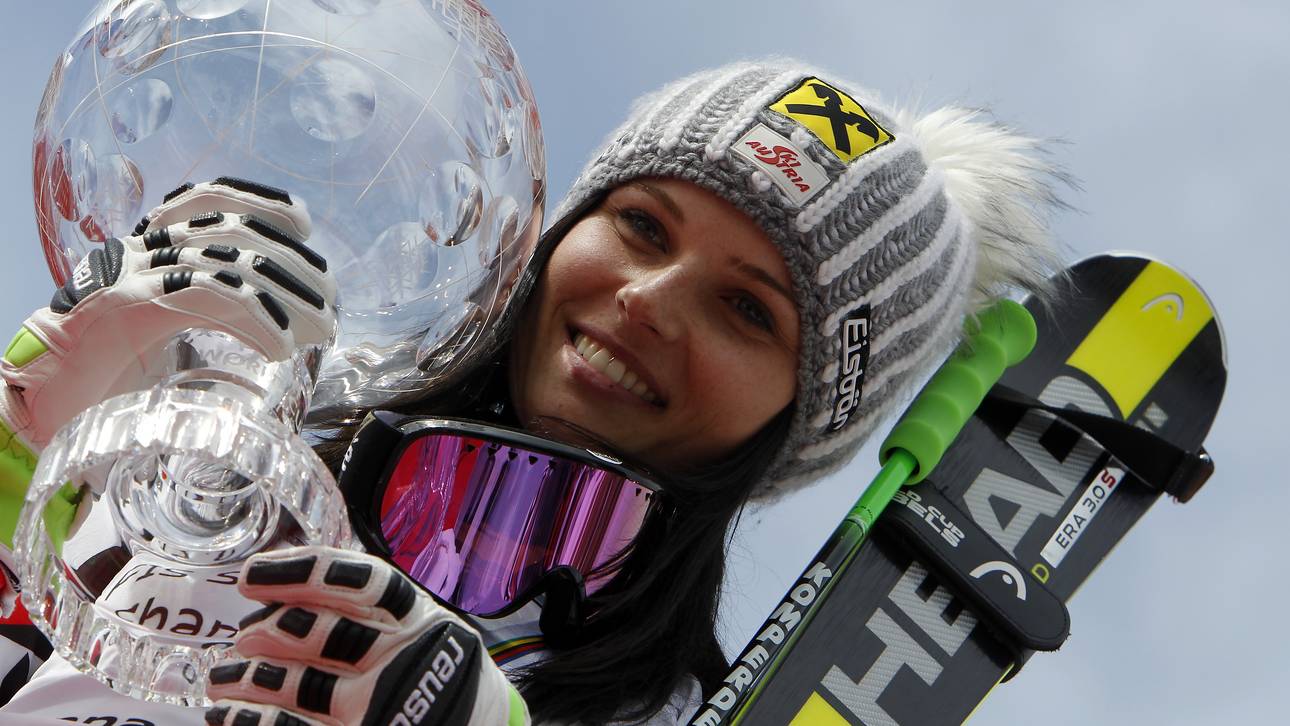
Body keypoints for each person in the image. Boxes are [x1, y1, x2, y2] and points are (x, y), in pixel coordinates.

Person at [0, 58, 1065, 725]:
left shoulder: (663, 709)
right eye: (642, 226)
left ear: (800, 417)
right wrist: (25, 428)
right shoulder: (221, 463)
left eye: (749, 311)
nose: (648, 301)